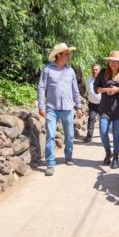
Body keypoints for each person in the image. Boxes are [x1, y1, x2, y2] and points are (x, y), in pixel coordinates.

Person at [38, 43, 82, 176]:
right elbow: (41, 88)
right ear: (58, 55)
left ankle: (68, 155)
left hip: (68, 108)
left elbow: (75, 90)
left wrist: (78, 105)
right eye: (66, 53)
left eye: (69, 53)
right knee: (51, 135)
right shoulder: (47, 70)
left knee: (69, 135)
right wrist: (41, 105)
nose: (69, 56)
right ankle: (50, 164)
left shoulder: (71, 71)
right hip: (52, 107)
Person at [94, 50, 119, 168]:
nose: (113, 63)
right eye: (111, 61)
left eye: (116, 61)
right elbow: (96, 87)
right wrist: (105, 90)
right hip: (105, 108)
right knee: (103, 132)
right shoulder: (103, 73)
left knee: (117, 135)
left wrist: (118, 90)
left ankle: (116, 157)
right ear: (108, 61)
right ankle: (108, 152)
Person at [84, 64, 102, 143]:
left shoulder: (103, 79)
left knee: (103, 120)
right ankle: (89, 136)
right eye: (93, 69)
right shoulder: (89, 80)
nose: (94, 71)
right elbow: (88, 91)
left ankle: (104, 136)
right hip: (92, 104)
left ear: (100, 70)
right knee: (91, 118)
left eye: (96, 69)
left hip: (102, 104)